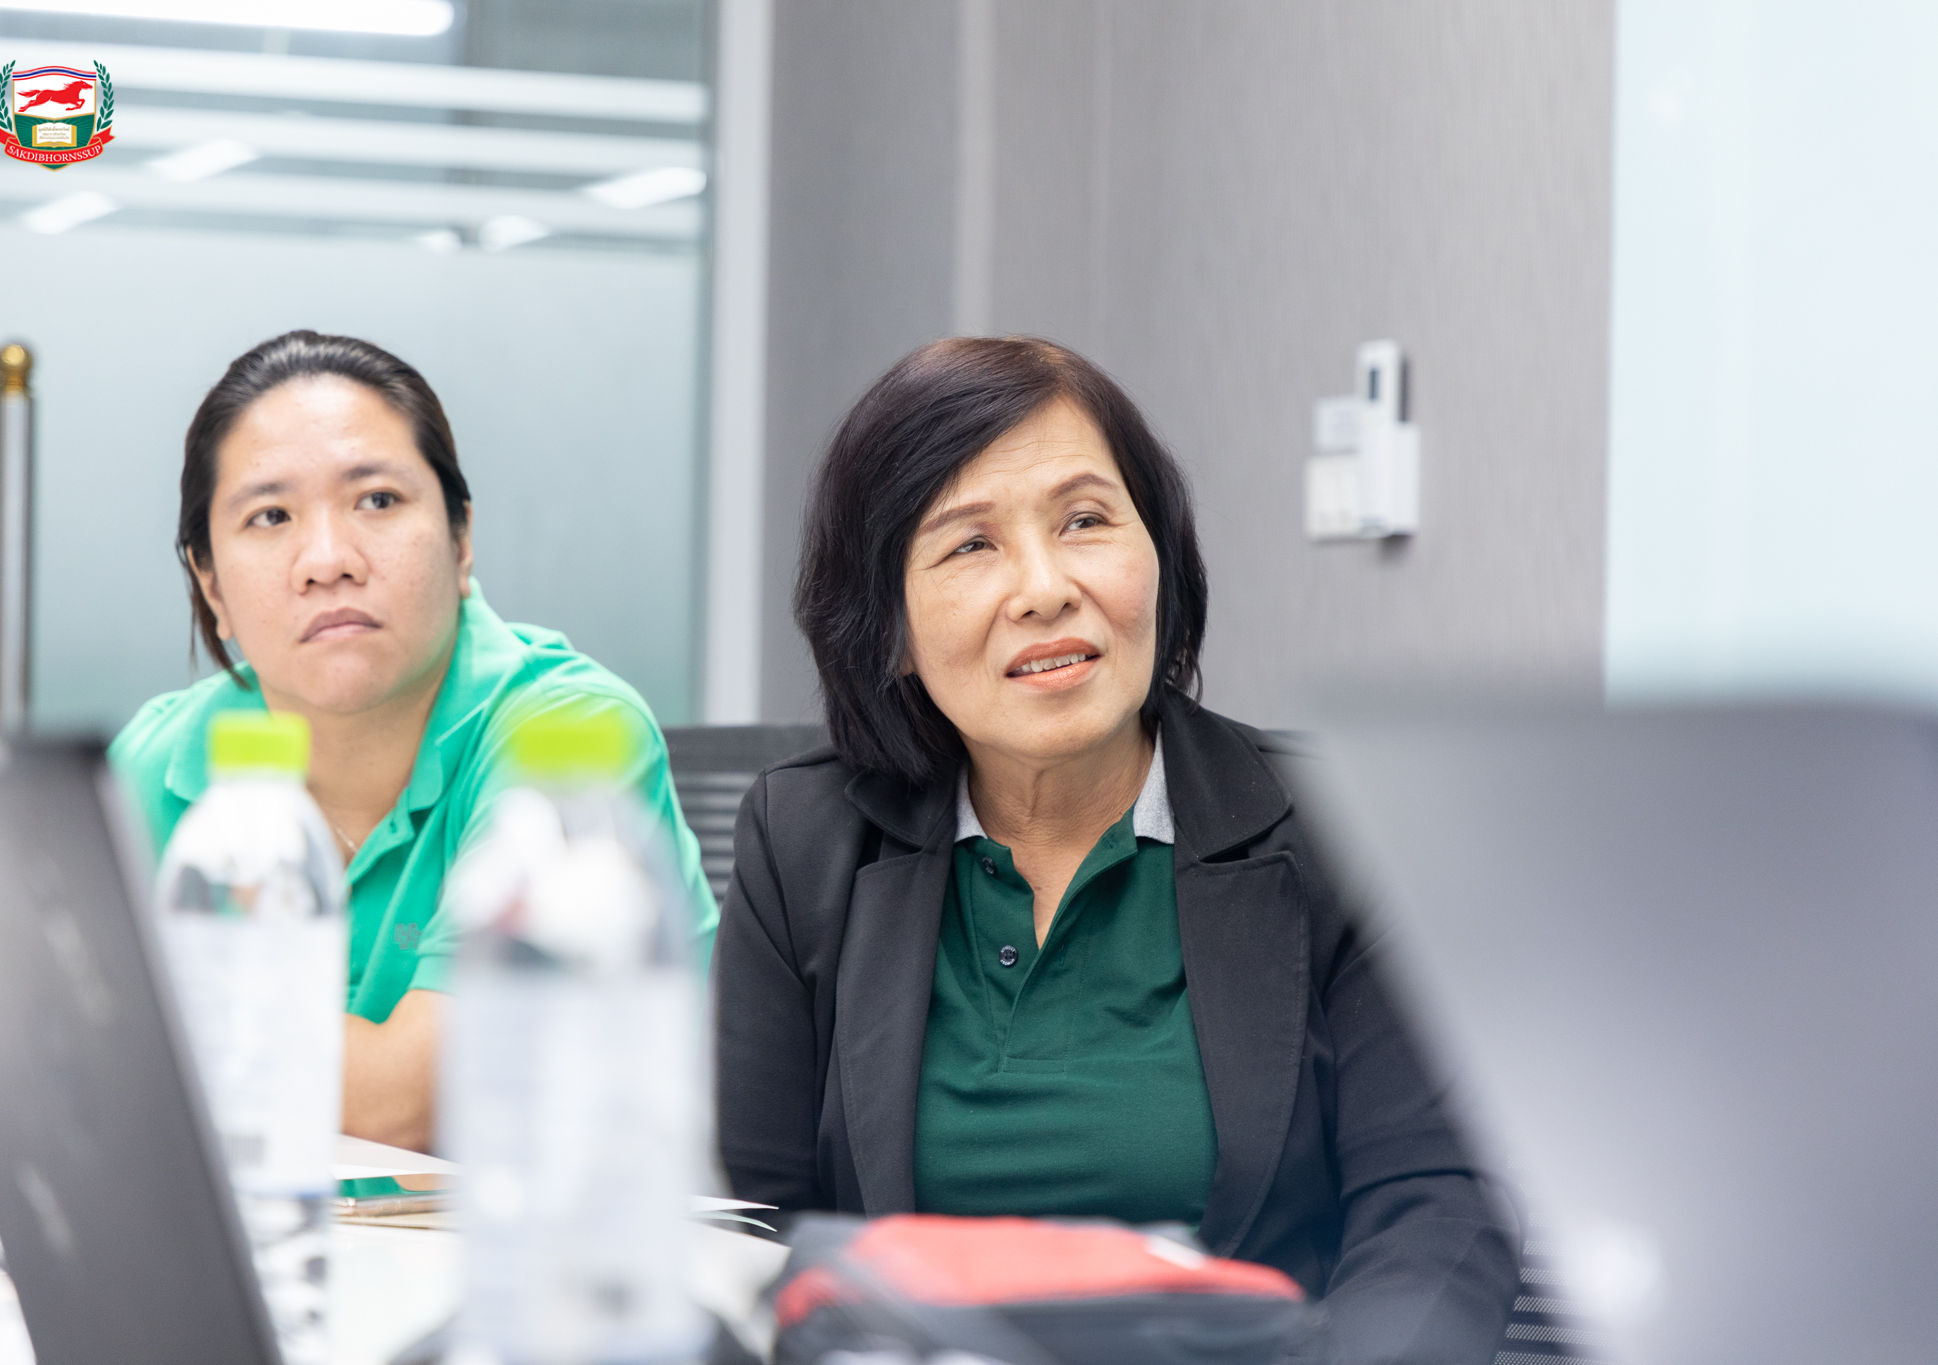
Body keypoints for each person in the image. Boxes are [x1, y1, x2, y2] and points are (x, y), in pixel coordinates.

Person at [714, 337, 1517, 1361]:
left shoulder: (1349, 831)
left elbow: (1433, 1213)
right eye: (971, 545)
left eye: (1084, 521)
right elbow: (751, 1227)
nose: (1043, 587)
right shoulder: (802, 843)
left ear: (1160, 558)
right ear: (890, 630)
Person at [111, 330, 717, 1154]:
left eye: (377, 500)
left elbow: (413, 1102)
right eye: (270, 515)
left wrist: (152, 1023)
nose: (327, 560)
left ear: (461, 540)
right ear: (210, 583)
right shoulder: (161, 761)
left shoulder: (571, 736)